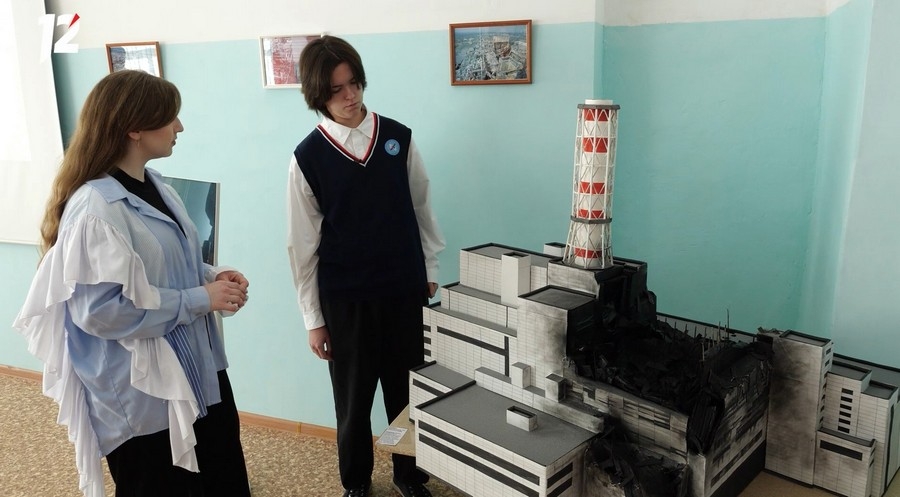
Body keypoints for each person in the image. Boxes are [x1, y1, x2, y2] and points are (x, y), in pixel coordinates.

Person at [13, 70, 251, 497]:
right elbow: (102, 313)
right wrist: (201, 298)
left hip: (198, 372)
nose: (180, 127)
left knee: (223, 479)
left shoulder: (157, 186)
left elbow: (158, 266)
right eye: (170, 117)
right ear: (134, 129)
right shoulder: (94, 209)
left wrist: (213, 277)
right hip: (144, 397)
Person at [286, 36, 445, 497]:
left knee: (407, 393)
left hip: (403, 289)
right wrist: (313, 319)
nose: (350, 96)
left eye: (354, 83)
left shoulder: (398, 138)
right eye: (337, 89)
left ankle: (408, 474)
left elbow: (422, 207)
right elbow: (302, 247)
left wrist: (430, 267)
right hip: (346, 301)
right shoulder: (307, 158)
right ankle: (355, 481)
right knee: (353, 401)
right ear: (318, 95)